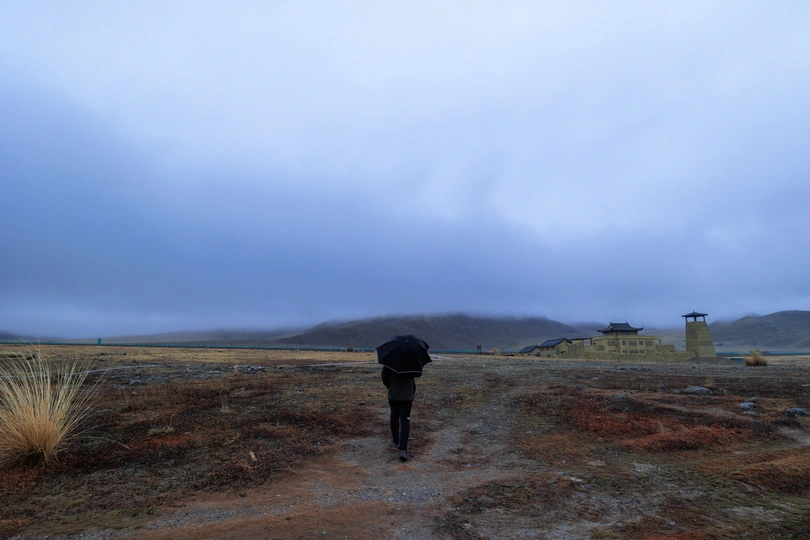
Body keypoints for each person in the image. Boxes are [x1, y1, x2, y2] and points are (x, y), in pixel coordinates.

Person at [381, 366, 416, 461]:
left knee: (394, 415)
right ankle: (403, 449)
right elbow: (418, 374)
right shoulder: (412, 361)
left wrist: (391, 386)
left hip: (393, 394)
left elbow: (384, 377)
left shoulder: (389, 361)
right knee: (405, 419)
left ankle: (396, 440)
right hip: (407, 395)